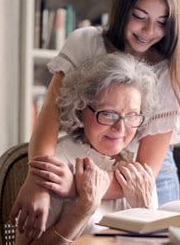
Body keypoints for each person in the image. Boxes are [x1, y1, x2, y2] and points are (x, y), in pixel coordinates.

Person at [10, 0, 180, 239]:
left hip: (143, 170)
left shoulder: (168, 73)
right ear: (123, 10)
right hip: (87, 160)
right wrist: (39, 181)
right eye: (140, 16)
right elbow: (50, 113)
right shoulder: (86, 43)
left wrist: (75, 186)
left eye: (161, 22)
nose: (149, 31)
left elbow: (144, 169)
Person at [16, 53, 157, 244]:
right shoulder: (56, 164)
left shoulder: (138, 170)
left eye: (132, 115)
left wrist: (145, 211)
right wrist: (82, 211)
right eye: (108, 114)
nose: (121, 128)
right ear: (81, 110)